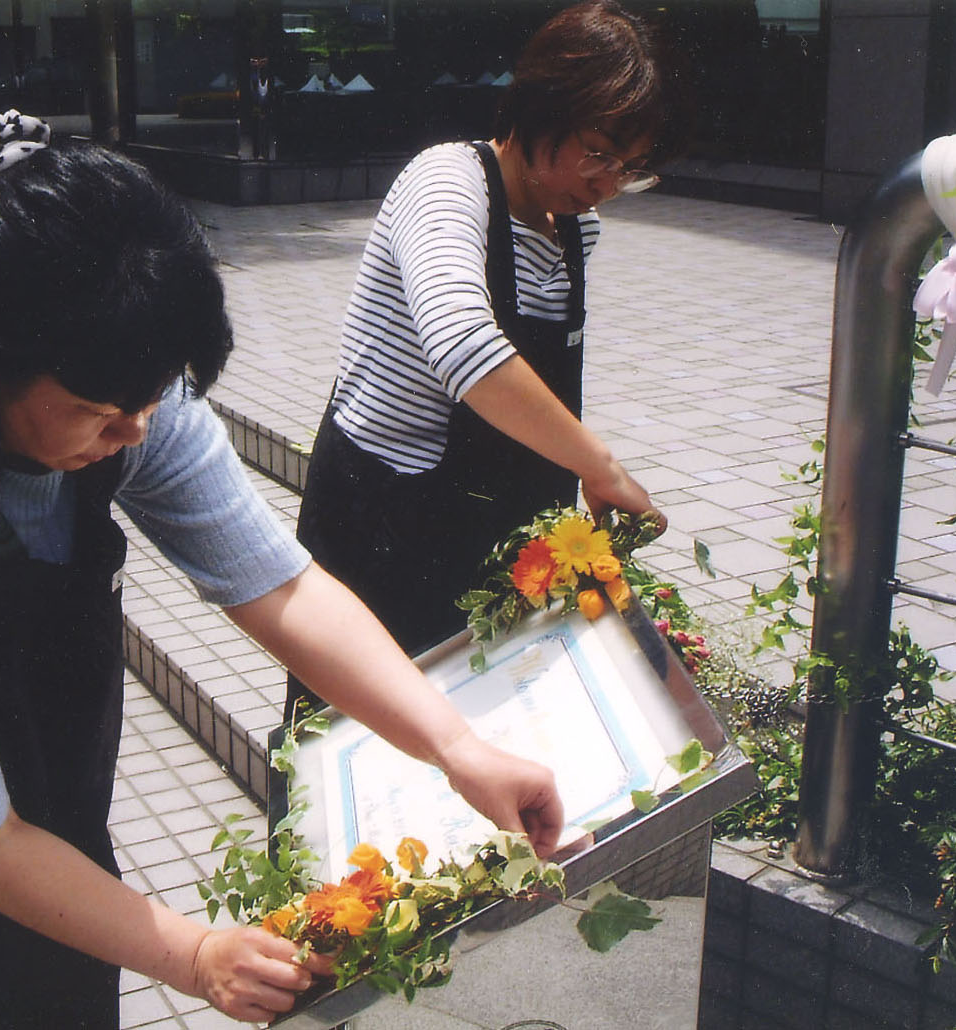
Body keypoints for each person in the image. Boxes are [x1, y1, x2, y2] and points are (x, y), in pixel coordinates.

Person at [0, 110, 563, 1030]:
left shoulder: (121, 385)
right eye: (101, 413)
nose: (136, 432)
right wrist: (196, 955)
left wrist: (457, 747)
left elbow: (281, 586)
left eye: (152, 399)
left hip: (38, 830)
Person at [288, 0, 679, 718]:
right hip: (385, 524)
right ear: (539, 107)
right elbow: (465, 347)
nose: (607, 183)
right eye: (598, 153)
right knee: (357, 737)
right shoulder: (446, 183)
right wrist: (601, 467)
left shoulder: (574, 230)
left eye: (629, 169)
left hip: (490, 535)